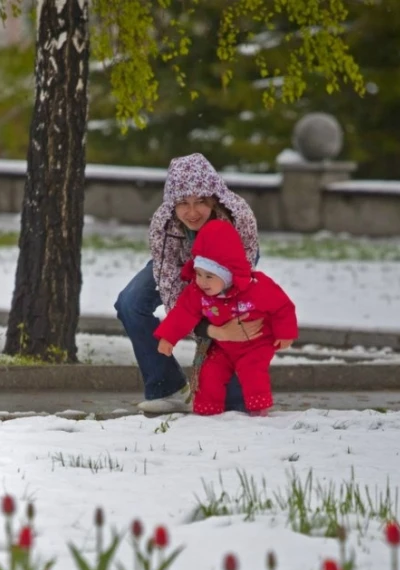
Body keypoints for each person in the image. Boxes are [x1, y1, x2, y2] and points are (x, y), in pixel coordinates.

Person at [114, 153, 262, 413]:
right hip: (179, 262)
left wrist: (215, 328)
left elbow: (232, 291)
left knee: (226, 318)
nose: (192, 212)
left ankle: (239, 394)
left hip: (228, 268)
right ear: (172, 203)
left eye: (200, 202)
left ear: (213, 198)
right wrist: (195, 329)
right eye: (183, 203)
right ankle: (168, 387)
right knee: (130, 302)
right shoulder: (164, 222)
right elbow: (171, 287)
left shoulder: (239, 218)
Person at [154, 220, 298, 416]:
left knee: (252, 372)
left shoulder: (258, 287)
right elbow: (183, 313)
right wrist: (168, 337)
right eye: (198, 274)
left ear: (229, 275)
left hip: (257, 344)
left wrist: (285, 333)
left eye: (210, 276)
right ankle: (207, 413)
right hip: (222, 346)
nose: (202, 282)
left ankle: (259, 411)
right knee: (209, 373)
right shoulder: (197, 292)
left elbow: (283, 307)